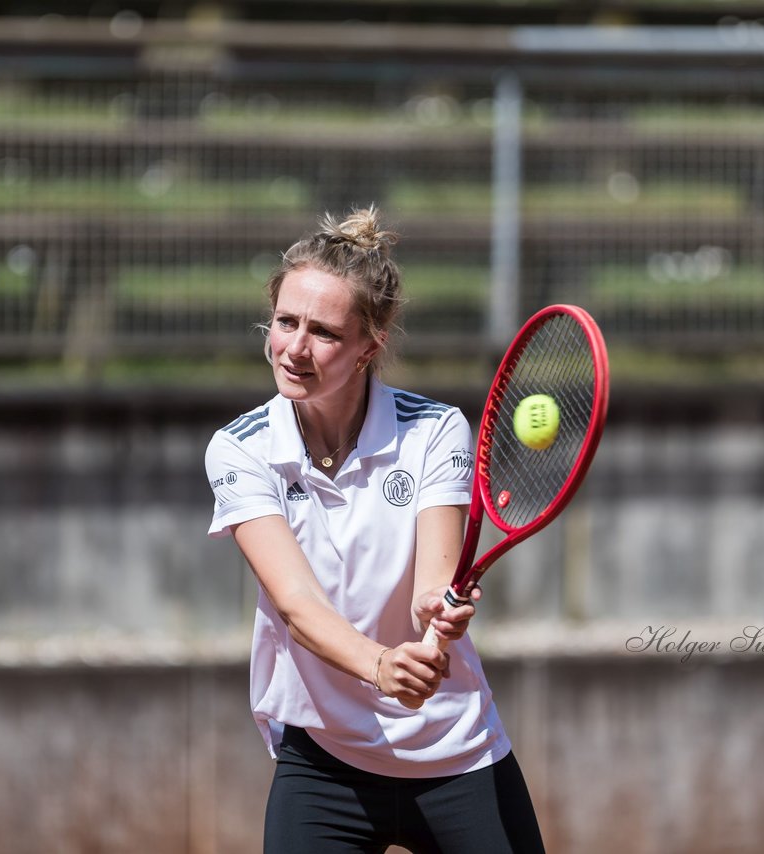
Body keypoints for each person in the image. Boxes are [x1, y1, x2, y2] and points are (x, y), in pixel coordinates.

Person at [204, 207, 545, 853]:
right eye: (285, 322)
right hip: (324, 759)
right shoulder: (239, 448)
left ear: (370, 345)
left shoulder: (435, 428)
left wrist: (435, 610)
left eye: (324, 332)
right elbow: (297, 605)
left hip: (457, 753)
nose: (295, 349)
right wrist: (382, 665)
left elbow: (434, 581)